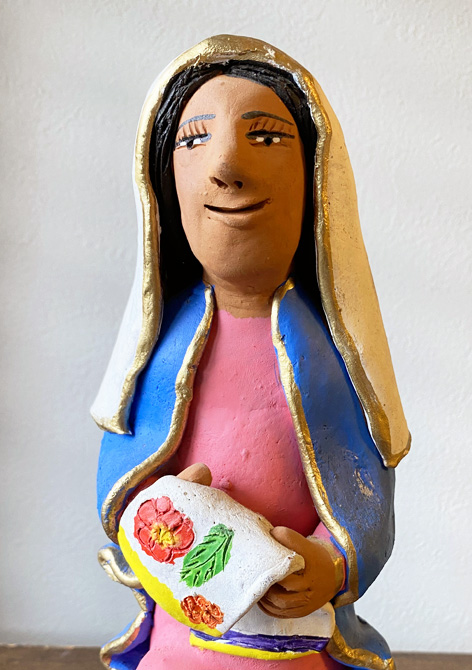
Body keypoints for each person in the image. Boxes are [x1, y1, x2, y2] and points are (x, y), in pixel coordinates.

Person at [92, 35, 410, 670]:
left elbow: (363, 483)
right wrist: (152, 516)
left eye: (264, 136)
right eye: (194, 140)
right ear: (164, 184)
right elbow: (123, 478)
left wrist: (330, 561)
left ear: (314, 178)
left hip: (296, 642)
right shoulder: (160, 352)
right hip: (181, 637)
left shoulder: (330, 355)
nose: (226, 167)